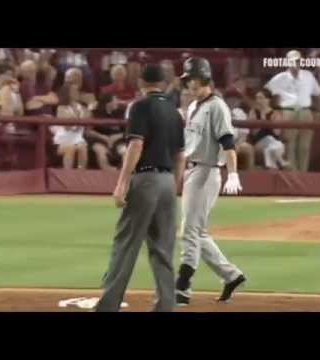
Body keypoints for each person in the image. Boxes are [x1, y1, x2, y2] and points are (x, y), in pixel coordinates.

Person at [95, 64, 186, 312]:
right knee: (163, 249)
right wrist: (174, 187)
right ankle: (166, 306)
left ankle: (108, 306)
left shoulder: (140, 106)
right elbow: (181, 155)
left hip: (146, 179)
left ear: (141, 83)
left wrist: (122, 182)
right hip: (168, 182)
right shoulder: (174, 111)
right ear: (164, 83)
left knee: (125, 245)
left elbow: (136, 145)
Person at [175, 57, 246, 306]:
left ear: (204, 78)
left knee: (190, 231)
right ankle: (231, 275)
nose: (189, 84)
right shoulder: (194, 105)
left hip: (206, 172)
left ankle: (182, 286)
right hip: (192, 171)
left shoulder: (217, 106)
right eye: (187, 80)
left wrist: (233, 172)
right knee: (196, 231)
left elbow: (227, 141)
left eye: (192, 79)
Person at [265, 50, 320, 171]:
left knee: (304, 147)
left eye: (298, 60)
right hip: (287, 111)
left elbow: (318, 93)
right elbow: (265, 93)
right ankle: (292, 176)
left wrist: (317, 112)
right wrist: (275, 110)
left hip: (306, 112)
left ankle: (303, 175)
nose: (296, 63)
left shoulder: (308, 76)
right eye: (293, 60)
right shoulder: (279, 78)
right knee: (289, 145)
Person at [249, 88, 289, 170]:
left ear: (268, 100)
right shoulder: (253, 112)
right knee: (270, 139)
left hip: (275, 144)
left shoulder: (275, 113)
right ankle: (280, 160)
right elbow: (253, 133)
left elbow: (277, 133)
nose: (257, 100)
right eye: (256, 98)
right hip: (258, 143)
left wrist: (270, 121)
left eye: (260, 98)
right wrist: (262, 118)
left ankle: (271, 168)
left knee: (270, 148)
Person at [51, 83, 89, 169]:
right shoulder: (61, 108)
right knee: (70, 148)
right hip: (63, 139)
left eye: (77, 91)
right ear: (67, 93)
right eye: (74, 91)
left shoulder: (82, 108)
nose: (77, 93)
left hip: (78, 137)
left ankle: (81, 174)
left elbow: (86, 122)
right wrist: (79, 122)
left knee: (82, 147)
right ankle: (67, 175)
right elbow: (67, 127)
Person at [87, 92, 127, 170]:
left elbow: (129, 131)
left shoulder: (121, 113)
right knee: (100, 151)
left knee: (125, 151)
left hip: (117, 141)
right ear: (108, 103)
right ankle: (108, 172)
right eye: (115, 100)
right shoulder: (95, 114)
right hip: (100, 140)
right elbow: (88, 132)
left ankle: (123, 173)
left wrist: (117, 136)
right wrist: (102, 137)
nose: (117, 102)